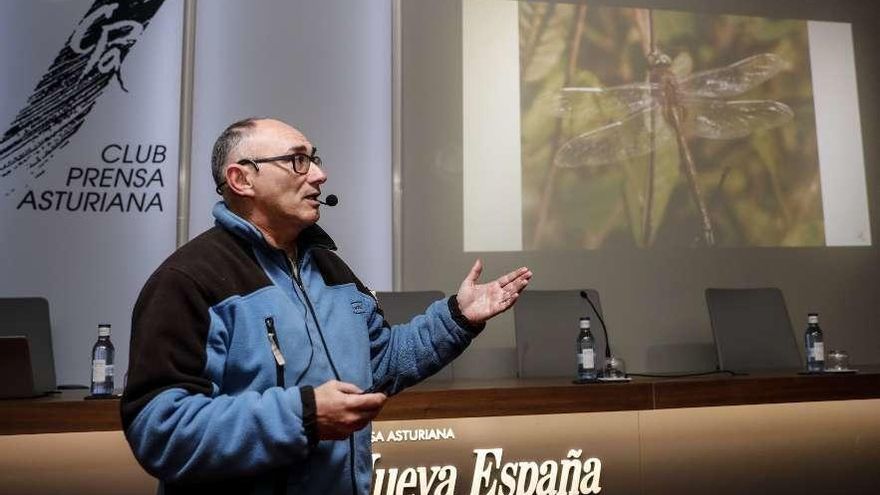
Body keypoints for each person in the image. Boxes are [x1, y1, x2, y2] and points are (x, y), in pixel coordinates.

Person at [121, 117, 532, 495]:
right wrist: (303, 417)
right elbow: (160, 430)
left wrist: (457, 318)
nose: (320, 174)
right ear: (241, 178)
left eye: (314, 160)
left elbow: (380, 363)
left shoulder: (329, 267)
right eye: (298, 161)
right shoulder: (188, 281)